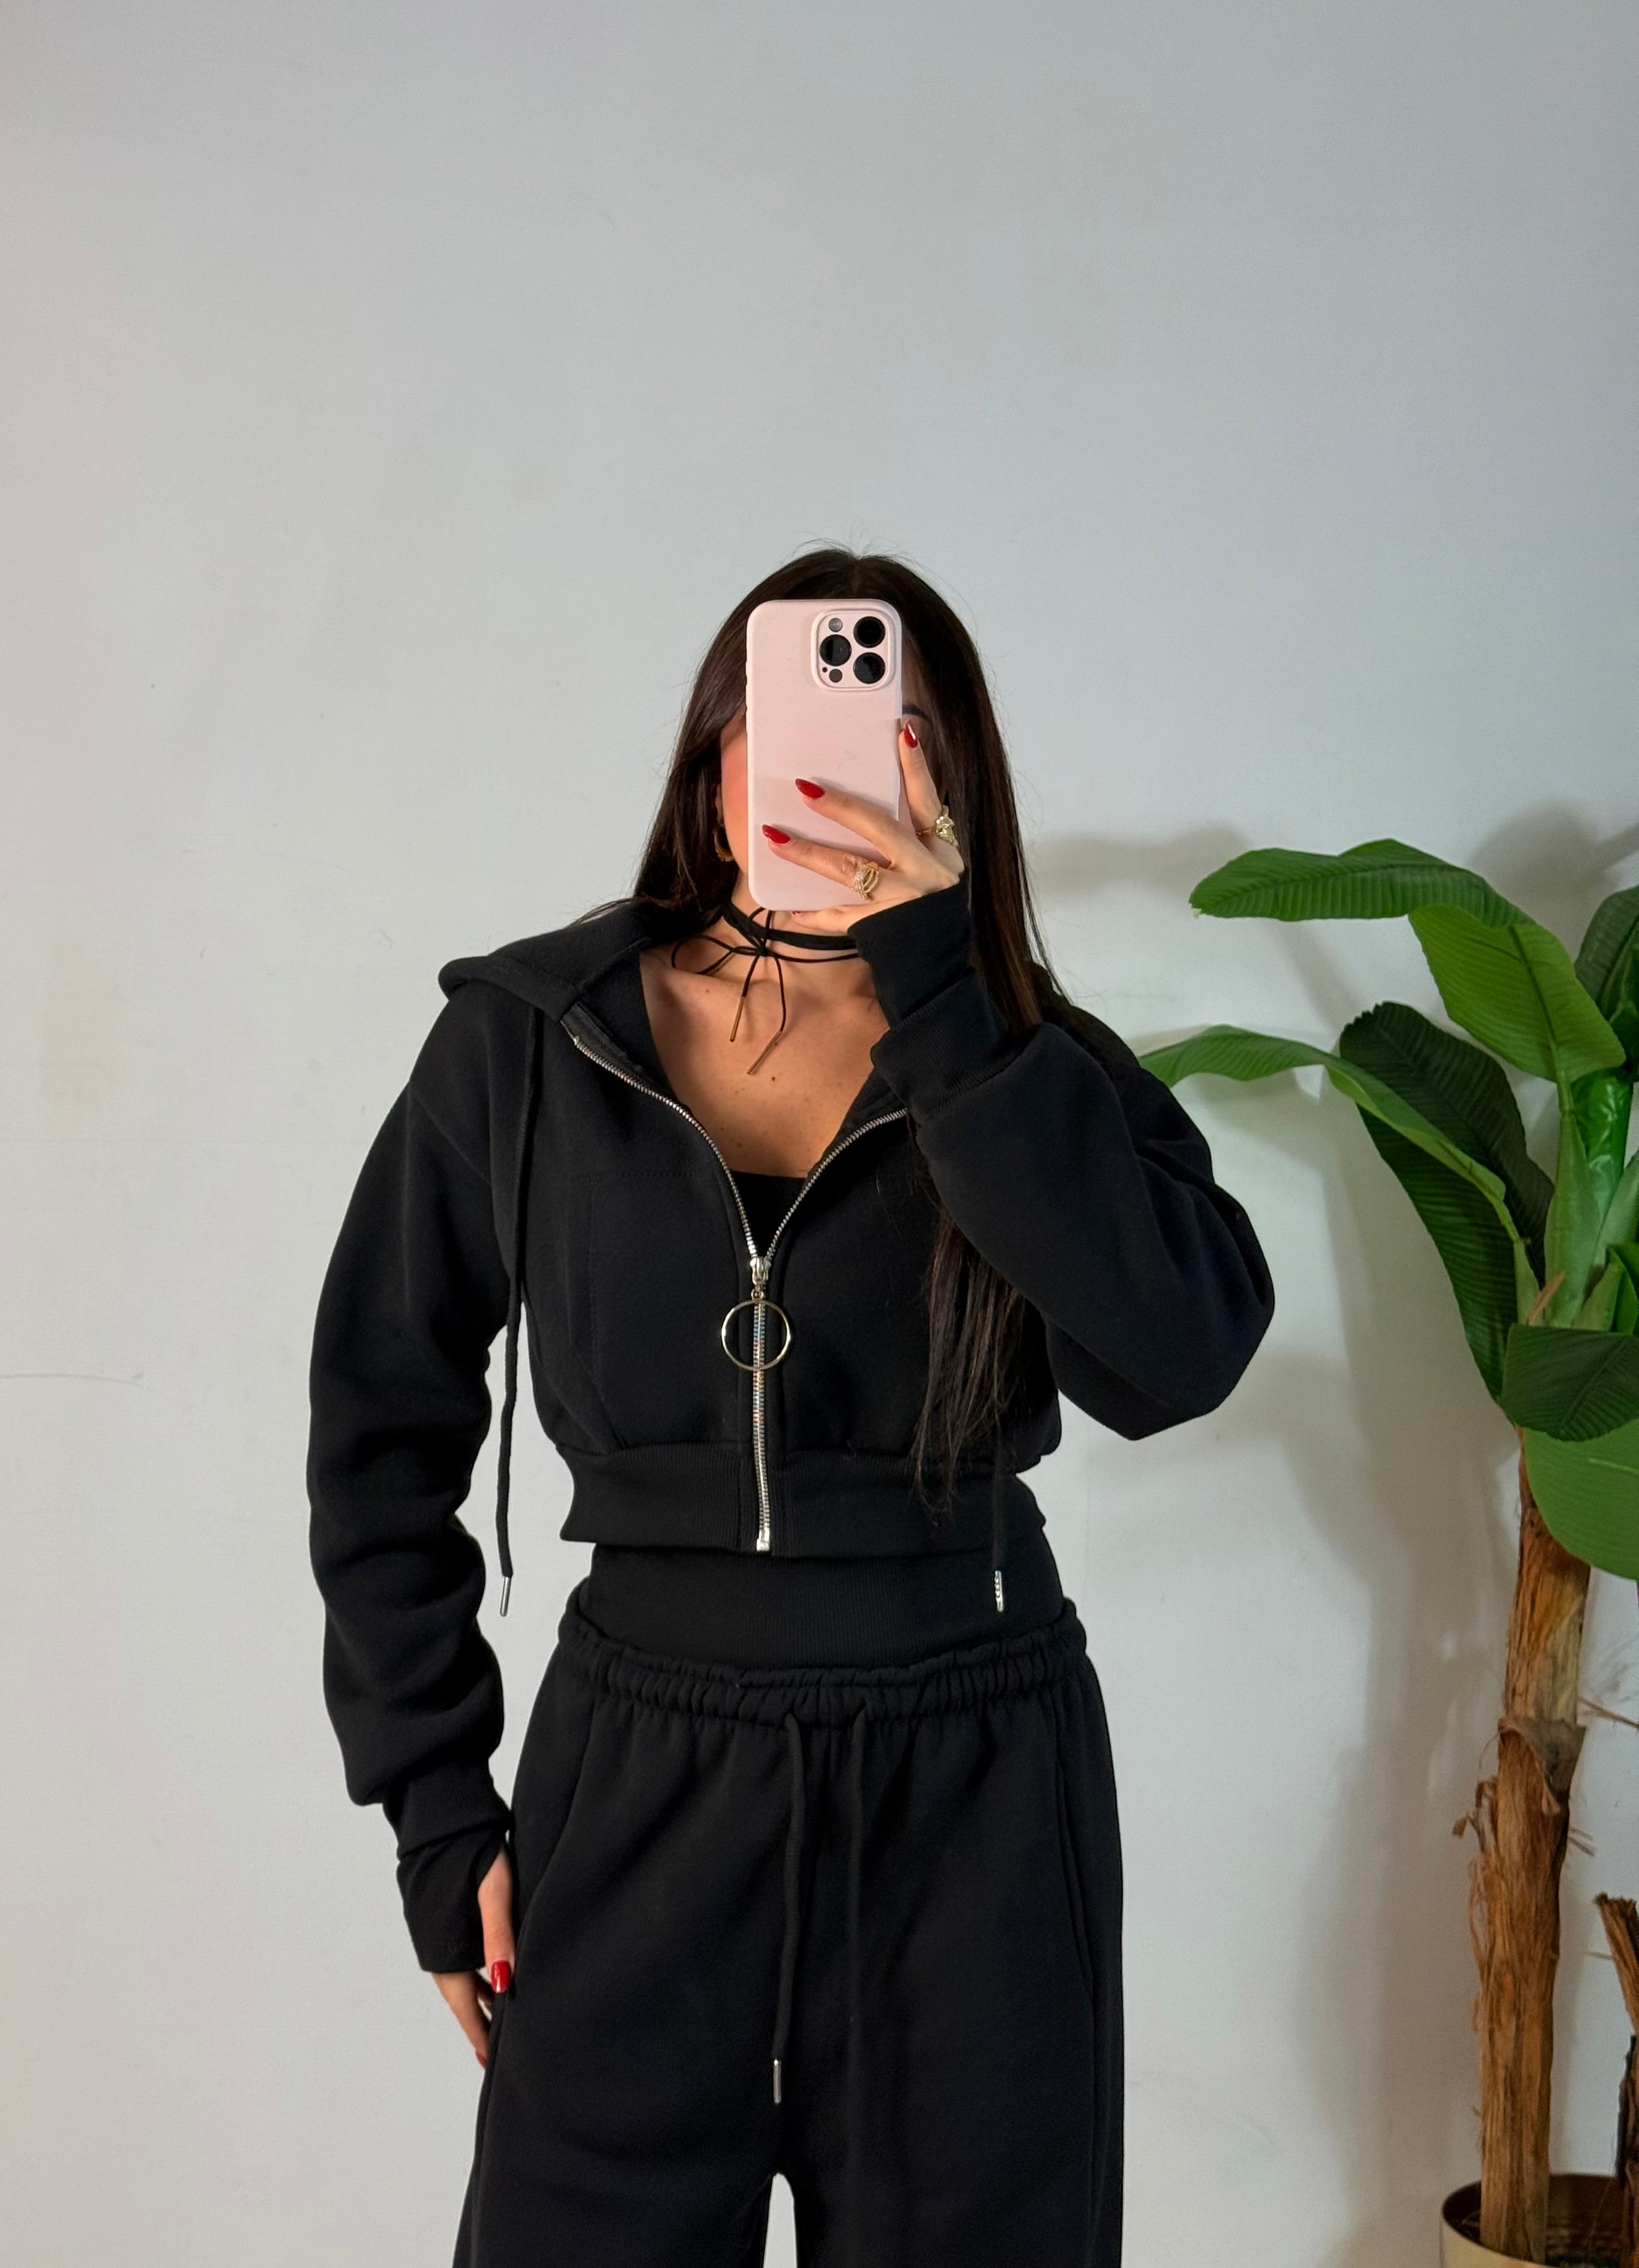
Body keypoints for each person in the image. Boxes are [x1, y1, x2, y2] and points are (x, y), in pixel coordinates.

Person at [305, 547, 1275, 2268]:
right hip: (639, 1771)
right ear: (713, 759)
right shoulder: (532, 1041)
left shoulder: (1028, 1065)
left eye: (894, 724)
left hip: (977, 1781)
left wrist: (950, 1017)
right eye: (788, 708)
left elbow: (1182, 1354)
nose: (835, 758)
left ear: (953, 787)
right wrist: (436, 1804)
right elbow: (381, 1421)